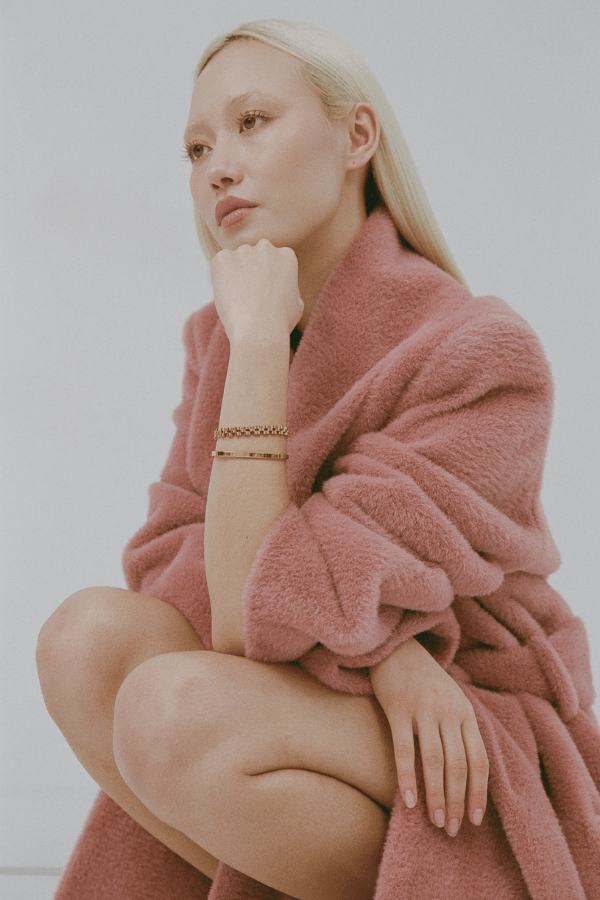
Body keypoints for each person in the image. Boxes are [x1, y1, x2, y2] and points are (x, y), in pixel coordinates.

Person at [36, 19, 600, 900]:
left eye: (252, 121)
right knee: (84, 641)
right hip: (353, 692)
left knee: (169, 711)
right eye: (197, 148)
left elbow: (262, 605)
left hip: (461, 731)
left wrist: (391, 648)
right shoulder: (226, 338)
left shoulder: (482, 351)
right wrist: (386, 656)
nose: (217, 167)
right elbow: (186, 576)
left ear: (358, 136)